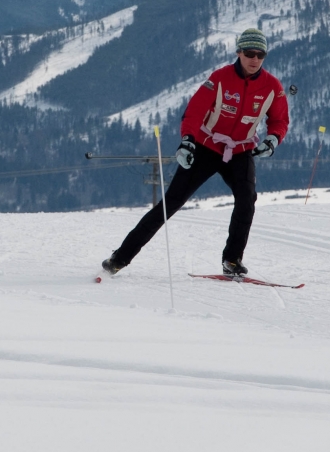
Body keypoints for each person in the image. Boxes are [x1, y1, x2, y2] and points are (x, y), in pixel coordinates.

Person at [102, 28, 289, 276]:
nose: (254, 59)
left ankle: (232, 260)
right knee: (171, 204)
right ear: (238, 52)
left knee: (247, 200)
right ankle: (120, 258)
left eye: (260, 54)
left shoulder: (272, 86)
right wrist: (188, 142)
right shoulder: (220, 78)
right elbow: (194, 111)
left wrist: (273, 140)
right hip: (206, 147)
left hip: (240, 150)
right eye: (249, 53)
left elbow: (279, 121)